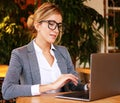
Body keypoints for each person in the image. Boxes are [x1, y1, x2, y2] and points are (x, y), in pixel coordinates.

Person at [2, 2, 89, 100]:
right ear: (37, 25)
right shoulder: (20, 54)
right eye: (51, 24)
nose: (56, 30)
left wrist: (87, 87)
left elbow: (73, 85)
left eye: (58, 25)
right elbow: (7, 90)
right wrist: (51, 86)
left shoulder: (63, 52)